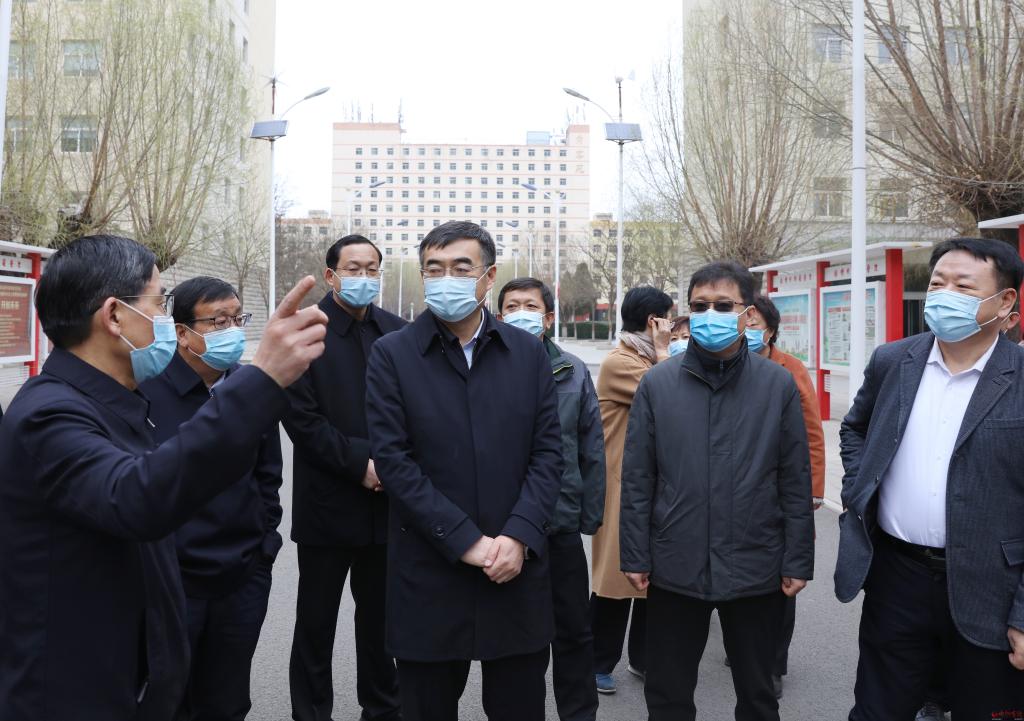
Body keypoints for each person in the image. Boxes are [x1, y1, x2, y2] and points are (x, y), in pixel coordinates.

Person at [0, 235, 326, 721]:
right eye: (157, 302)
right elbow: (136, 497)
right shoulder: (49, 413)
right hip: (75, 690)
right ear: (114, 316)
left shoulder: (113, 401)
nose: (165, 321)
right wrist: (260, 379)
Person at [365, 221, 563, 721]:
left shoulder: (527, 354)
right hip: (430, 567)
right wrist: (464, 541)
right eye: (434, 269)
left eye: (460, 268)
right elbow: (394, 461)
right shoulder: (393, 354)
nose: (445, 279)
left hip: (514, 567)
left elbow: (547, 454)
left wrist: (518, 536)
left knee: (519, 706)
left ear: (488, 276)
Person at [836, 237, 1024, 720]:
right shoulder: (893, 361)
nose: (944, 295)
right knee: (878, 709)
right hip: (898, 576)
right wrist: (859, 487)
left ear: (1005, 300)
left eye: (963, 286)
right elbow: (855, 428)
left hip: (992, 585)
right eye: (938, 283)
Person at [619, 260, 814, 721]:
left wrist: (797, 559)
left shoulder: (777, 384)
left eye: (723, 306)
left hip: (755, 563)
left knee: (758, 695)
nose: (710, 315)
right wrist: (635, 555)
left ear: (748, 314)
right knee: (667, 695)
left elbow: (794, 479)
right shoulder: (658, 384)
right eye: (700, 306)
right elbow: (638, 478)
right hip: (675, 563)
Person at [140, 276, 283, 721]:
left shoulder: (250, 388)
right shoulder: (146, 390)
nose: (232, 331)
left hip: (241, 577)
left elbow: (269, 476)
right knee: (168, 699)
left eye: (238, 319)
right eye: (218, 322)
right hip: (174, 584)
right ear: (182, 333)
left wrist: (264, 550)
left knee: (227, 699)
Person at [283, 234, 405, 721]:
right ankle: (311, 712)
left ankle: (382, 708)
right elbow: (302, 420)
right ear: (331, 275)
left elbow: (414, 412)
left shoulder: (397, 333)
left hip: (387, 507)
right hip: (328, 505)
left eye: (372, 268)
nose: (364, 277)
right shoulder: (305, 332)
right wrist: (361, 465)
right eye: (353, 268)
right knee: (316, 624)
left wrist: (391, 465)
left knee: (382, 624)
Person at [497, 277, 606, 721]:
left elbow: (591, 448)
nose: (520, 314)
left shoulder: (572, 371)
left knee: (574, 631)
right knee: (518, 639)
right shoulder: (483, 367)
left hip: (560, 527)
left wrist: (589, 517)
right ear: (498, 316)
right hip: (506, 529)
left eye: (530, 306)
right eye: (512, 306)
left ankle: (578, 712)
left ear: (547, 318)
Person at [590, 285, 673, 694]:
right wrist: (664, 350)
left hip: (651, 483)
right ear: (653, 321)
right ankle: (596, 662)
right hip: (619, 484)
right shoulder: (620, 363)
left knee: (650, 579)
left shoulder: (644, 358)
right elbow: (672, 394)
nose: (673, 327)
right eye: (669, 318)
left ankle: (643, 658)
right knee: (615, 579)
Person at [745, 294, 826, 699]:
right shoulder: (728, 365)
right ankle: (745, 648)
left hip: (780, 489)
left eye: (754, 324)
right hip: (740, 491)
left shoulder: (790, 369)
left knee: (782, 580)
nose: (746, 330)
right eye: (743, 322)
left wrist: (813, 492)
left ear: (771, 331)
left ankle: (774, 663)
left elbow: (812, 431)